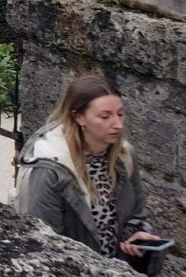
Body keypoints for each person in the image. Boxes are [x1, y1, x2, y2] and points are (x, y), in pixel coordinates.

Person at [17, 74, 167, 274]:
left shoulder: (124, 156)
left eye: (120, 114)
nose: (118, 124)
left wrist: (137, 237)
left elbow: (136, 215)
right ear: (78, 117)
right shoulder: (51, 169)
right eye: (105, 116)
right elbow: (44, 244)